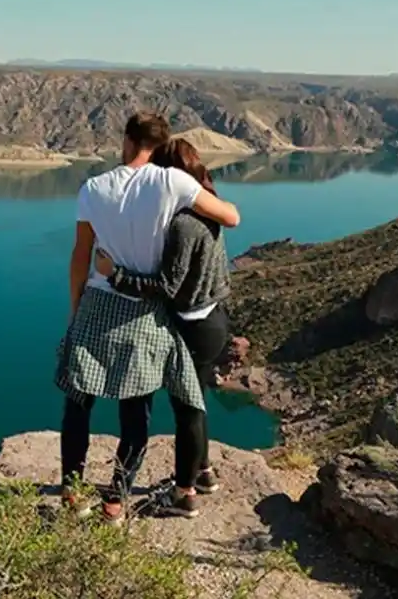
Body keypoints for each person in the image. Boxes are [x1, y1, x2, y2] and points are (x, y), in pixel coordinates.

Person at [58, 113, 240, 524]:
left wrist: (75, 308)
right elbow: (229, 217)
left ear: (127, 140)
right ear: (161, 146)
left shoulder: (92, 188)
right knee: (134, 413)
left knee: (78, 403)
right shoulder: (173, 183)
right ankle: (116, 502)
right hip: (141, 312)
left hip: (96, 302)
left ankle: (72, 492)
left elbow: (80, 255)